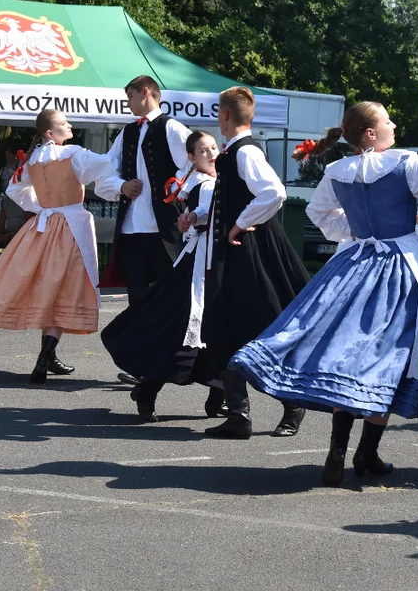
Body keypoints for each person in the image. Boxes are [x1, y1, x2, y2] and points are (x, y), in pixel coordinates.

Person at [229, 102, 418, 486]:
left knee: (347, 356)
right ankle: (367, 451)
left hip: (355, 262)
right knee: (389, 358)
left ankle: (338, 452)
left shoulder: (338, 170)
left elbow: (320, 213)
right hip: (399, 266)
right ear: (372, 134)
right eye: (387, 120)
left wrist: (356, 230)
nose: (395, 124)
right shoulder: (407, 164)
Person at [0, 110, 123, 384]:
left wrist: (41, 206)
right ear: (51, 133)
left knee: (48, 285)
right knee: (64, 288)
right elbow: (107, 163)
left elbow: (14, 190)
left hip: (43, 225)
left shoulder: (32, 160)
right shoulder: (73, 154)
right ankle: (46, 356)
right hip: (71, 226)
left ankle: (48, 356)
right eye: (65, 123)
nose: (71, 125)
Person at [200, 86, 309, 440]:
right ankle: (238, 415)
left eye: (219, 112)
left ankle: (293, 404)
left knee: (260, 323)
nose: (218, 118)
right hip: (235, 251)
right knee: (229, 324)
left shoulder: (245, 152)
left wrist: (240, 222)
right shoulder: (233, 152)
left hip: (252, 251)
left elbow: (274, 192)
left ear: (226, 115)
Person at [101, 131, 227, 422]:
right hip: (198, 265)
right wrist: (193, 218)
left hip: (210, 261)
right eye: (203, 151)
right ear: (192, 158)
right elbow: (205, 211)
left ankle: (218, 395)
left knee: (214, 329)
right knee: (181, 330)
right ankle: (149, 389)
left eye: (213, 148)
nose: (211, 153)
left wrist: (190, 220)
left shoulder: (208, 180)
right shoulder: (204, 182)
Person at [100, 76, 192, 308]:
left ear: (146, 92)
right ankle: (139, 343)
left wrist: (173, 186)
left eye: (130, 97)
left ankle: (171, 342)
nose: (128, 103)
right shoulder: (127, 132)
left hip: (163, 227)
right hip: (132, 229)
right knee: (137, 297)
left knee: (171, 293)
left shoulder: (171, 127)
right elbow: (104, 172)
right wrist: (122, 186)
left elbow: (195, 163)